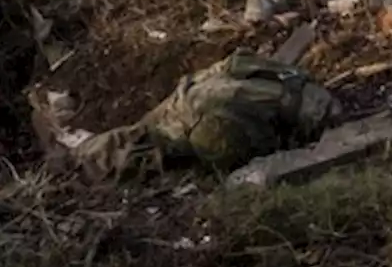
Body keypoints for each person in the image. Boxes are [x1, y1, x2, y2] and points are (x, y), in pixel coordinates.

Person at [69, 51, 342, 180]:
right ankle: (81, 156)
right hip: (195, 103)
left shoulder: (204, 114)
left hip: (196, 102)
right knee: (145, 139)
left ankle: (83, 155)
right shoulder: (198, 111)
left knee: (148, 141)